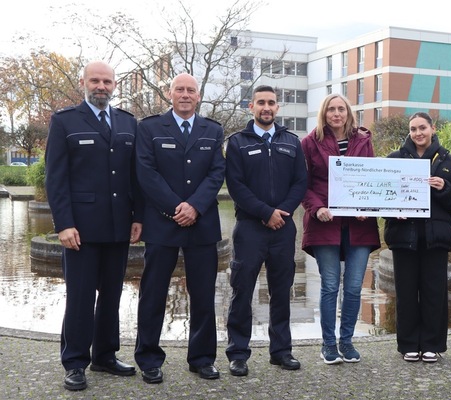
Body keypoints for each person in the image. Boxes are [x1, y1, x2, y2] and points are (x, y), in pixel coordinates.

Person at [45, 61, 142, 391]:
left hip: (117, 226)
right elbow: (55, 178)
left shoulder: (129, 123)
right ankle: (74, 362)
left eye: (107, 81)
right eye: (95, 80)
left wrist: (138, 216)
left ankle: (104, 355)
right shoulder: (65, 121)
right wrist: (64, 224)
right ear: (84, 82)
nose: (101, 86)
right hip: (80, 231)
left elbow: (135, 177)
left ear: (115, 85)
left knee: (112, 296)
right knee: (81, 297)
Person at [134, 73, 226, 383]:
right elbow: (146, 172)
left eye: (190, 90)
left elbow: (216, 174)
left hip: (201, 224)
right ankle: (148, 358)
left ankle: (201, 358)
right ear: (169, 94)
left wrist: (195, 207)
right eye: (179, 90)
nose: (185, 95)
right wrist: (176, 208)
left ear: (198, 96)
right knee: (153, 293)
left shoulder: (213, 130)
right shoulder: (149, 128)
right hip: (162, 223)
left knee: (202, 294)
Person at [224, 86, 307, 374]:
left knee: (281, 291)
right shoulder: (237, 143)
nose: (266, 107)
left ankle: (281, 351)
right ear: (251, 107)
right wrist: (265, 212)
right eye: (261, 102)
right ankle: (238, 353)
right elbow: (236, 186)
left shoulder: (292, 142)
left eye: (271, 102)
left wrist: (280, 212)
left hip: (283, 228)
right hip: (249, 229)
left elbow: (300, 182)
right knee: (241, 290)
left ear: (277, 107)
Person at [300, 93, 380, 365]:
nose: (336, 114)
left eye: (341, 109)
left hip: (359, 225)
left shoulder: (363, 140)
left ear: (348, 112)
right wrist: (317, 208)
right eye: (331, 109)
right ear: (324, 113)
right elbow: (304, 184)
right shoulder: (310, 143)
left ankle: (347, 341)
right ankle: (328, 344)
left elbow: (371, 179)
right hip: (325, 223)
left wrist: (366, 206)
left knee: (355, 286)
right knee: (330, 285)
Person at [384, 112, 451, 363]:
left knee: (434, 293)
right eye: (413, 129)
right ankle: (409, 344)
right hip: (403, 237)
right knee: (406, 293)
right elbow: (383, 195)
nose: (418, 133)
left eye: (422, 127)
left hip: (437, 238)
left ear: (432, 128)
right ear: (409, 132)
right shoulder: (395, 159)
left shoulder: (448, 162)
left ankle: (432, 344)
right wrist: (393, 210)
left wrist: (445, 188)